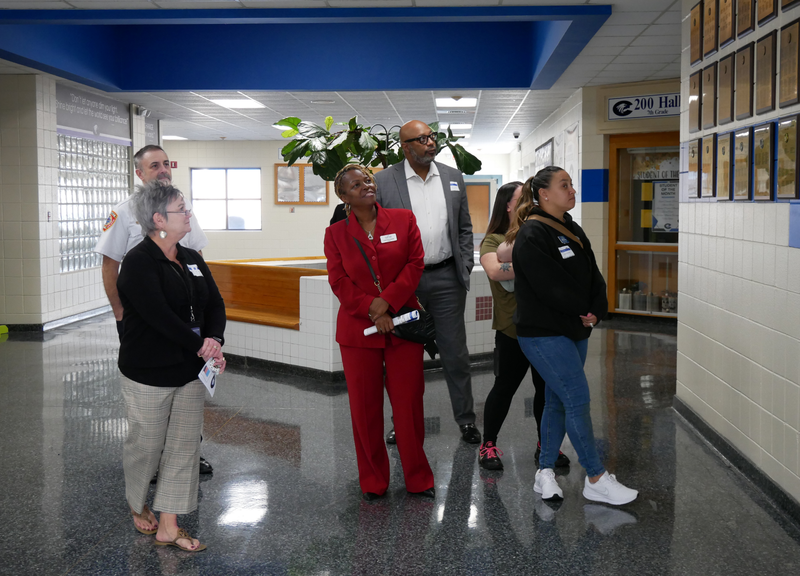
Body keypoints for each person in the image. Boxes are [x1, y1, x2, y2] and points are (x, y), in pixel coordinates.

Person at [508, 166, 638, 506]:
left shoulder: (571, 228)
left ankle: (544, 472)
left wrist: (597, 307)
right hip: (542, 333)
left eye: (571, 185)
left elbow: (592, 274)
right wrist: (584, 308)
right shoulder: (532, 234)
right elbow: (551, 286)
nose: (571, 190)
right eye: (563, 185)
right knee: (577, 398)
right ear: (544, 194)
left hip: (574, 328)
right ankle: (595, 476)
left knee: (556, 400)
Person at [117, 180, 226, 551]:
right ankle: (137, 503)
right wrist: (203, 347)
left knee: (183, 448)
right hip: (149, 370)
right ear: (159, 218)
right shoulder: (137, 262)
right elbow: (159, 317)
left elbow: (214, 304)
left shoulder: (191, 257)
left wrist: (216, 341)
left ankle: (169, 524)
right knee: (146, 445)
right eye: (183, 210)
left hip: (190, 369)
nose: (189, 215)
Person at [95, 144, 214, 476]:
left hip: (186, 319)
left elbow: (198, 259)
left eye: (166, 164)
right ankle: (152, 460)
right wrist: (120, 314)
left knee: (190, 383)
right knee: (152, 390)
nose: (162, 170)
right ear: (139, 173)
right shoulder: (124, 212)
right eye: (154, 166)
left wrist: (204, 311)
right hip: (146, 319)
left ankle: (189, 452)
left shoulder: (182, 208)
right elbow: (109, 266)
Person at [324, 164, 435, 501]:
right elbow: (338, 280)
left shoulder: (403, 220)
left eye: (368, 180)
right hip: (358, 332)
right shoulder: (336, 234)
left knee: (409, 406)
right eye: (356, 184)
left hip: (403, 325)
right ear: (344, 196)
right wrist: (372, 307)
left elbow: (415, 263)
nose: (366, 186)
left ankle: (418, 477)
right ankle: (373, 480)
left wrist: (386, 303)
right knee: (365, 409)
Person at [375, 120, 480, 445]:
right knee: (403, 357)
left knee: (455, 354)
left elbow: (464, 227)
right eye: (421, 139)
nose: (430, 142)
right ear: (405, 147)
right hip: (406, 282)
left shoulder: (452, 176)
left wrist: (464, 263)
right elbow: (376, 233)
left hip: (447, 277)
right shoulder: (383, 181)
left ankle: (466, 420)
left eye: (431, 137)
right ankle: (402, 423)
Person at [478, 181, 569, 471]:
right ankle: (488, 444)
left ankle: (547, 446)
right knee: (504, 388)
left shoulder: (539, 232)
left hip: (544, 328)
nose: (529, 204)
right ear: (507, 205)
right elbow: (494, 270)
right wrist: (538, 263)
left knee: (545, 391)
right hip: (512, 330)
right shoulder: (493, 240)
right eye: (522, 199)